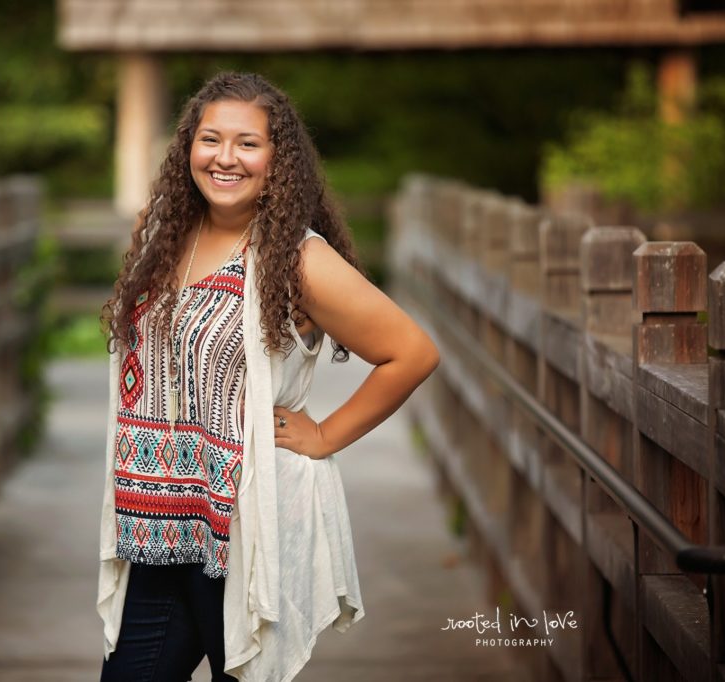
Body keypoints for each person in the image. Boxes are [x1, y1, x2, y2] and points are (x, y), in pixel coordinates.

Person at [97, 71, 440, 681]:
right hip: (155, 523)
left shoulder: (297, 259)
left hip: (239, 528)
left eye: (248, 143)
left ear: (277, 160)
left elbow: (411, 352)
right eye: (210, 139)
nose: (226, 158)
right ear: (188, 149)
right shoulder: (166, 237)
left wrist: (326, 434)